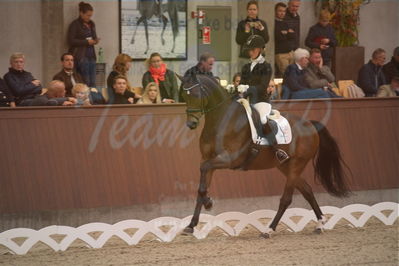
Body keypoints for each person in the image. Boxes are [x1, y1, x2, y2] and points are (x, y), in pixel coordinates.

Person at [67, 1, 99, 87]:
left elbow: (94, 36)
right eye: (88, 15)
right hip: (81, 56)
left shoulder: (91, 24)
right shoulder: (75, 24)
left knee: (93, 82)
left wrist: (95, 40)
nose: (89, 17)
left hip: (91, 55)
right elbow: (71, 41)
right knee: (85, 82)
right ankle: (85, 99)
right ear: (81, 13)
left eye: (91, 15)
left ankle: (93, 99)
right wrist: (86, 42)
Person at [240, 35, 272, 104]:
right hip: (246, 101)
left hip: (260, 101)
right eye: (249, 50)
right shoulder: (246, 67)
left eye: (253, 50)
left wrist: (248, 88)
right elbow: (242, 82)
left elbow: (263, 87)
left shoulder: (266, 66)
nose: (250, 52)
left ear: (260, 49)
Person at [274, 2, 295, 76]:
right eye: (280, 11)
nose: (282, 13)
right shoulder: (274, 23)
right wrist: (287, 33)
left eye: (284, 11)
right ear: (275, 11)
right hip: (281, 54)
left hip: (290, 52)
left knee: (292, 74)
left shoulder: (285, 23)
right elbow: (279, 37)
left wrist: (287, 33)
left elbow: (292, 36)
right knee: (286, 75)